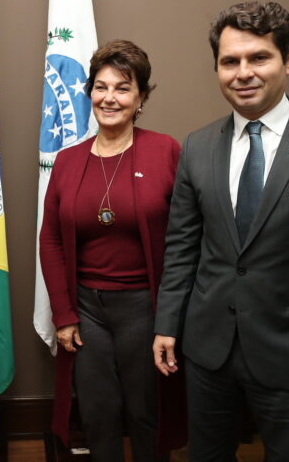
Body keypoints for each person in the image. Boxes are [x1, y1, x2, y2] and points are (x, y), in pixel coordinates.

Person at [153, 1, 289, 461]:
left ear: (288, 59)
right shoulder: (198, 146)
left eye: (259, 57)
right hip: (207, 350)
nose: (243, 73)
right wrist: (167, 323)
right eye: (229, 61)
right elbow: (181, 248)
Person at [40, 40, 185, 462]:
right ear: (89, 93)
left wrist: (171, 318)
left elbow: (185, 240)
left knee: (145, 412)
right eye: (100, 87)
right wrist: (64, 315)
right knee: (98, 412)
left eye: (123, 88)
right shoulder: (68, 161)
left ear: (141, 97)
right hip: (87, 310)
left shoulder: (165, 151)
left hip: (145, 308)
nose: (109, 98)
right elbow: (50, 241)